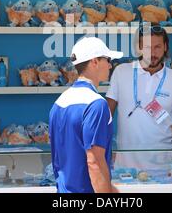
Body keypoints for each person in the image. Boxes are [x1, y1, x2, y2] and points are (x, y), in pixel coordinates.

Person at [106, 25, 172, 170]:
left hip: (165, 166)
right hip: (127, 167)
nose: (152, 53)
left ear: (165, 47)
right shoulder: (121, 72)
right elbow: (107, 114)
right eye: (146, 47)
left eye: (157, 47)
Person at [49, 36, 122, 193]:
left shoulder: (58, 103)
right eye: (107, 60)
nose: (110, 65)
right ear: (94, 61)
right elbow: (94, 162)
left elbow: (59, 160)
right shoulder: (97, 104)